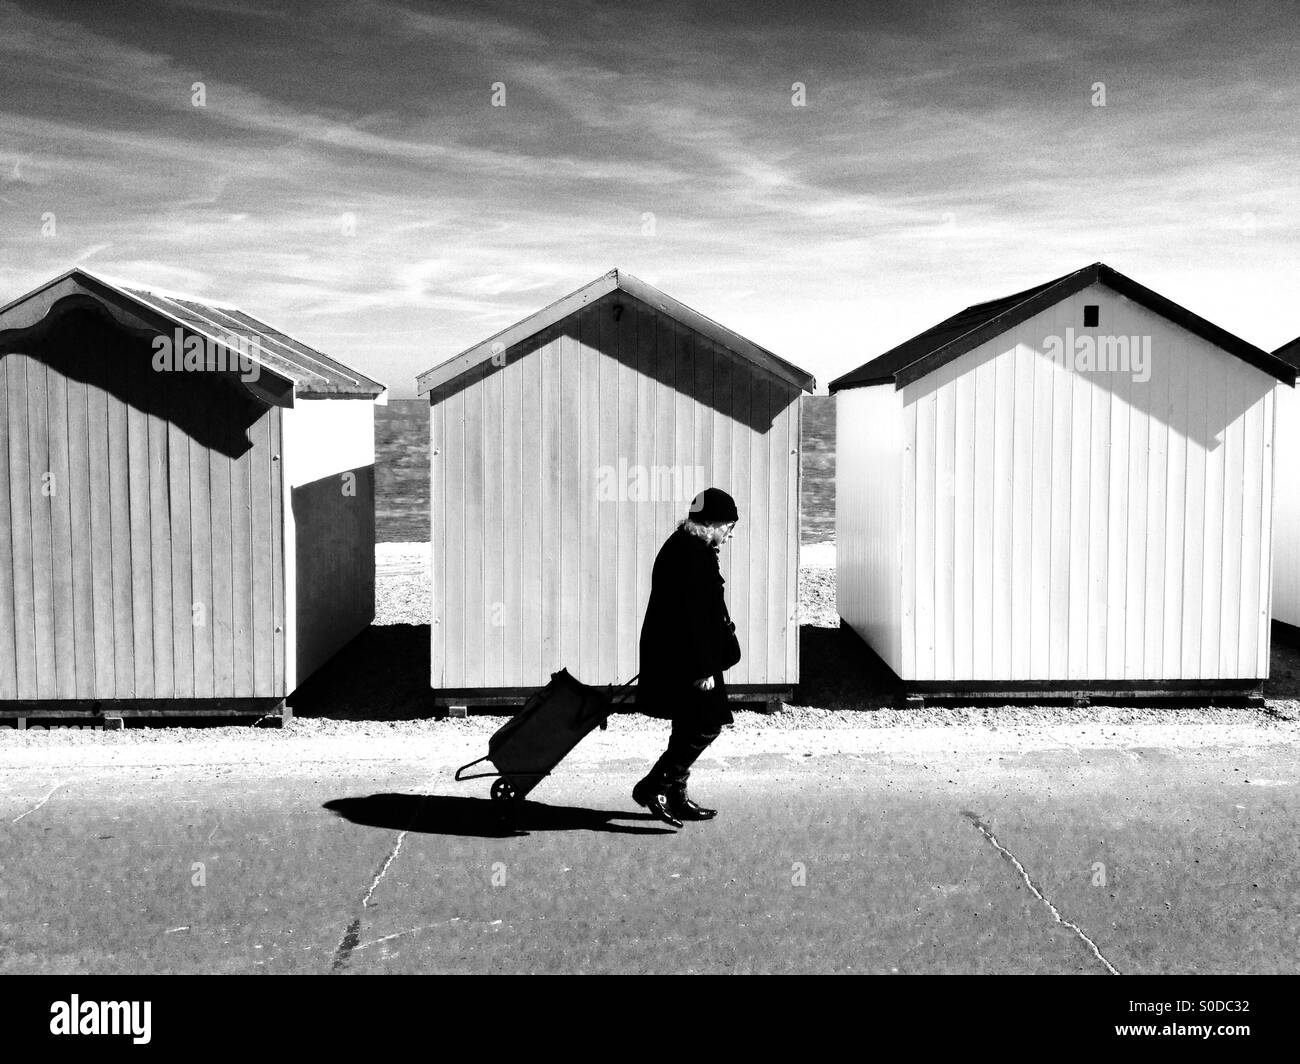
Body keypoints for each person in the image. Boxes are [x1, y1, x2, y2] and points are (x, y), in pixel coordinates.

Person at [632, 487, 742, 828]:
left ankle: (676, 795)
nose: (729, 534)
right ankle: (654, 786)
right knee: (706, 724)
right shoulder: (690, 554)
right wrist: (703, 668)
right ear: (710, 523)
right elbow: (689, 619)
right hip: (688, 660)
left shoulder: (689, 546)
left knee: (688, 722)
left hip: (688, 656)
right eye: (728, 526)